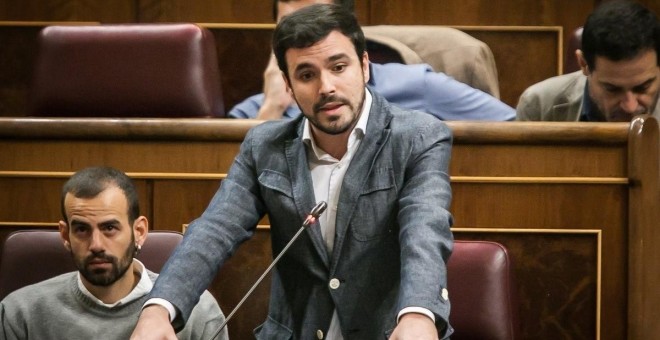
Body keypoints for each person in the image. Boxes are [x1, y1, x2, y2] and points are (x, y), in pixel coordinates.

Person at [132, 3, 454, 340]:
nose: (326, 86)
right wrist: (159, 309)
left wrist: (418, 314)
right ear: (287, 85)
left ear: (364, 66)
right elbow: (214, 231)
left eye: (339, 67)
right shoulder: (264, 146)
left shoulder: (418, 137)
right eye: (306, 74)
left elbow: (425, 229)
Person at [0, 167, 228, 340]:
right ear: (65, 235)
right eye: (81, 229)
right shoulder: (20, 313)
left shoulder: (198, 312)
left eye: (109, 228)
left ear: (139, 231)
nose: (96, 244)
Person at [227, 0, 515, 121]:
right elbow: (232, 193)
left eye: (317, 24)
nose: (304, 37)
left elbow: (518, 132)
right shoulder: (254, 111)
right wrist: (272, 108)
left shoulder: (418, 85)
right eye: (290, 26)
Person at [516, 0, 660, 122]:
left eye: (643, 88)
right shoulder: (538, 106)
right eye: (612, 89)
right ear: (584, 64)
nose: (630, 107)